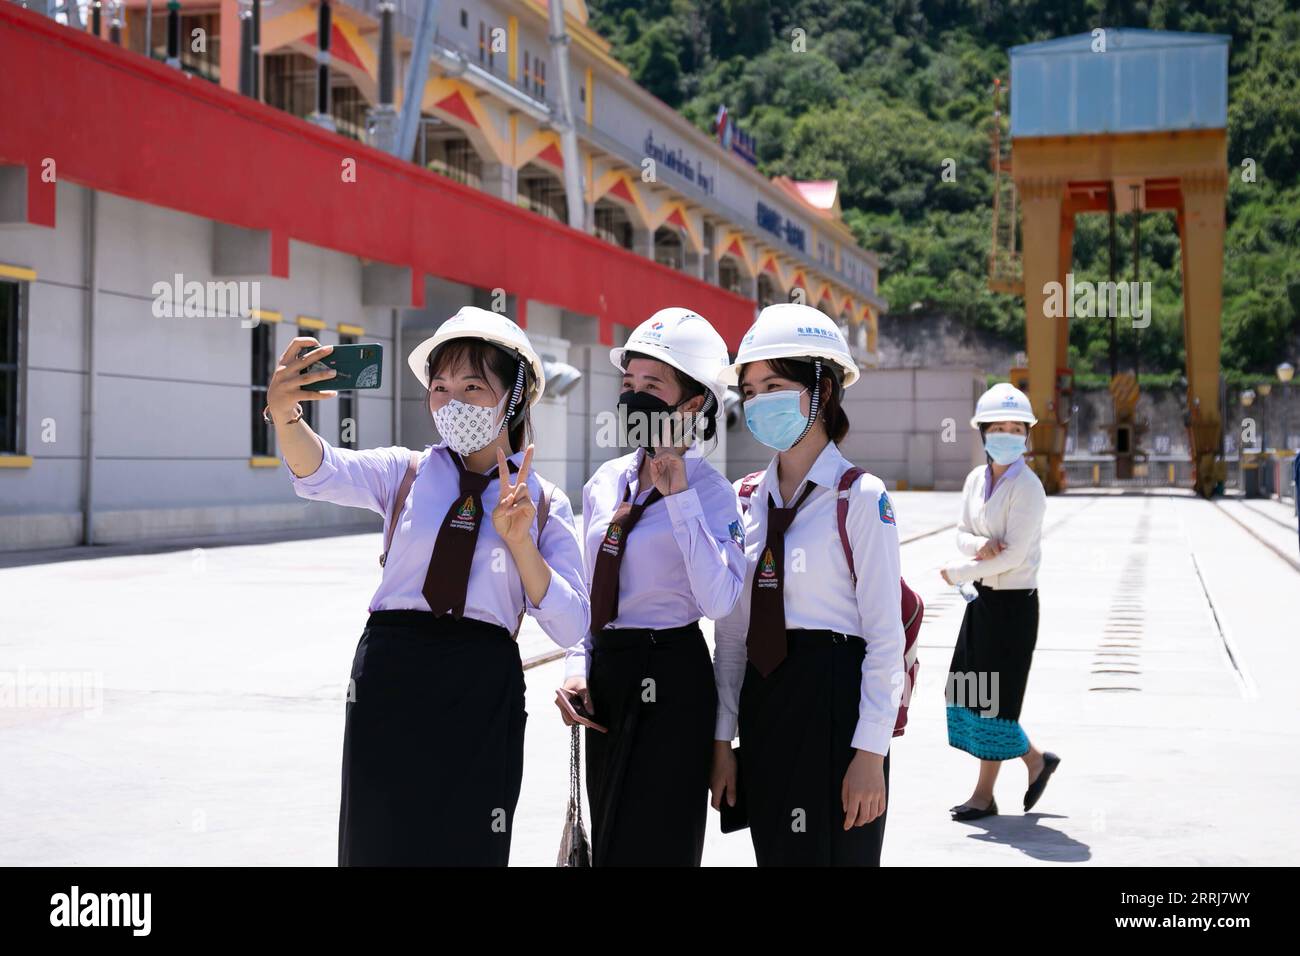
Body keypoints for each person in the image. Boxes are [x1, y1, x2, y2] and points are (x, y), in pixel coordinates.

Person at [267, 306, 589, 866]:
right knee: (377, 843)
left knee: (468, 846)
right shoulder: (405, 471)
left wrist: (520, 544)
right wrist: (285, 416)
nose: (451, 400)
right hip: (391, 676)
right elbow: (321, 472)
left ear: (515, 398)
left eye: (472, 384)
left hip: (480, 684)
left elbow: (571, 622)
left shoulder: (543, 502)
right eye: (439, 386)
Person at [710, 303, 906, 867]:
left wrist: (871, 753)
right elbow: (731, 638)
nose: (756, 401)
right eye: (748, 390)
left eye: (773, 384)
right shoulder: (744, 498)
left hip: (837, 704)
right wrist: (724, 743)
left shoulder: (861, 497)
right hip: (767, 703)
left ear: (820, 388)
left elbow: (885, 638)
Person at [558, 307, 746, 866]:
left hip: (673, 674)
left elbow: (720, 602)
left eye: (652, 386)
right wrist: (576, 666)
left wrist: (680, 498)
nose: (633, 398)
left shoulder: (714, 494)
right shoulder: (603, 482)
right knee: (613, 838)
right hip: (609, 677)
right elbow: (589, 592)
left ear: (693, 404)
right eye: (628, 384)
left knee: (661, 843)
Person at [941, 382, 1060, 821]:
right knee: (966, 692)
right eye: (999, 427)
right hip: (982, 602)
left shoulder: (1028, 488)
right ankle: (1035, 760)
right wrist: (977, 545)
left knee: (994, 702)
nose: (1008, 434)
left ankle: (983, 795)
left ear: (1026, 434)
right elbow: (960, 531)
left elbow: (1012, 556)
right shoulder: (976, 479)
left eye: (1016, 428)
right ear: (984, 432)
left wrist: (962, 570)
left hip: (1012, 607)